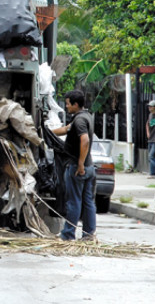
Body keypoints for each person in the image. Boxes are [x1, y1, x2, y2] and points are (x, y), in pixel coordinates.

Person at [52, 89, 96, 241]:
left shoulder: (79, 121)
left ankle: (68, 234)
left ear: (76, 104)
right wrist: (47, 132)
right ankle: (89, 234)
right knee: (87, 201)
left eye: (68, 104)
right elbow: (65, 129)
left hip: (77, 168)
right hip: (89, 167)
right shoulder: (85, 116)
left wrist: (80, 164)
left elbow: (85, 140)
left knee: (73, 202)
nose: (66, 107)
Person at [146, 100, 155, 179]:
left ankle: (154, 174)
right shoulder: (150, 115)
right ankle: (152, 173)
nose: (149, 108)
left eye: (151, 106)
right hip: (151, 139)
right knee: (152, 156)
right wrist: (148, 132)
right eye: (149, 106)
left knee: (151, 156)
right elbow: (147, 124)